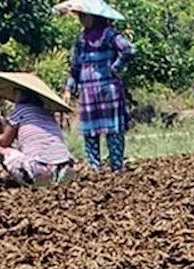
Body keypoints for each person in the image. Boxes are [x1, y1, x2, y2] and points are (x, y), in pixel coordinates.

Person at [61, 3, 135, 172]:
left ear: (94, 17)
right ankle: (94, 168)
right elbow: (75, 67)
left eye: (83, 16)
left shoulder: (110, 35)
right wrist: (68, 89)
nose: (81, 20)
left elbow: (128, 50)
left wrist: (115, 68)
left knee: (113, 131)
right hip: (88, 92)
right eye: (79, 16)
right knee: (90, 132)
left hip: (108, 90)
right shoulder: (81, 40)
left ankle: (117, 167)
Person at [0, 89, 75, 186]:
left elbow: (4, 141)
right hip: (64, 161)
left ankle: (38, 177)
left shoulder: (20, 110)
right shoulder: (48, 113)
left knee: (3, 151)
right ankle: (59, 172)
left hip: (39, 164)